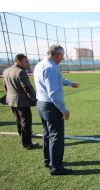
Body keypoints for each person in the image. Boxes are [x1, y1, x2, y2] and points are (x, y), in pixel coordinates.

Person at [34, 45, 79, 176]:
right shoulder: (51, 68)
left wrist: (70, 83)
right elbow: (53, 92)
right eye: (62, 56)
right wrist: (63, 109)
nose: (63, 59)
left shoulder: (40, 65)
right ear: (57, 55)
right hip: (51, 106)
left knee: (47, 134)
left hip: (41, 104)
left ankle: (48, 161)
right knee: (56, 136)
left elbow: (59, 80)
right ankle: (56, 167)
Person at [2, 54, 39, 150]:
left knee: (18, 120)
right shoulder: (21, 72)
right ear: (18, 61)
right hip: (21, 101)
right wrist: (35, 100)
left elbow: (5, 86)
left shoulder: (6, 70)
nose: (28, 63)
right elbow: (27, 88)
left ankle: (23, 137)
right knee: (26, 121)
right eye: (26, 61)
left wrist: (8, 96)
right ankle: (27, 143)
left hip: (11, 100)